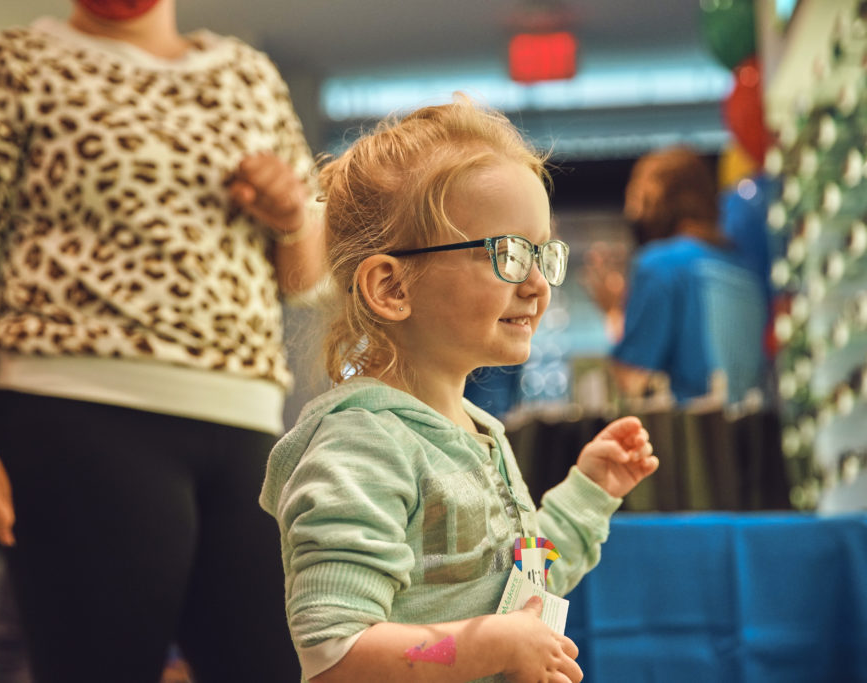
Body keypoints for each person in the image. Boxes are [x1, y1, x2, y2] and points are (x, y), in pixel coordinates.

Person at [0, 1, 324, 681]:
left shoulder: (249, 75)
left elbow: (305, 279)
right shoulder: (6, 64)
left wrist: (291, 216)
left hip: (244, 420)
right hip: (74, 409)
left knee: (274, 664)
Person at [259, 97, 659, 682]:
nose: (537, 284)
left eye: (544, 254)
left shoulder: (479, 434)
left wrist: (588, 494)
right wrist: (491, 645)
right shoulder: (362, 445)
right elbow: (336, 655)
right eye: (507, 253)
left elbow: (517, 587)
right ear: (392, 287)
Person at [589, 146, 769, 404]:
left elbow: (633, 377)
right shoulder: (743, 269)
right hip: (749, 432)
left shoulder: (658, 265)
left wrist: (614, 314)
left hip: (691, 434)